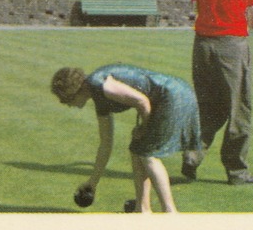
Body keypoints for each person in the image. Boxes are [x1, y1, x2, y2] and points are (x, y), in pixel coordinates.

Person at [51, 64, 201, 214]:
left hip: (173, 96)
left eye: (65, 100)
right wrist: (92, 183)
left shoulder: (99, 83)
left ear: (72, 92)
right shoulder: (98, 97)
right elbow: (105, 145)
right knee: (137, 149)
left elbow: (142, 101)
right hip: (173, 94)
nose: (68, 105)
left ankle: (170, 212)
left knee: (148, 154)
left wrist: (144, 126)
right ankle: (142, 209)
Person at [183, 0, 253, 185]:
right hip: (231, 45)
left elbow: (202, 6)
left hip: (203, 45)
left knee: (208, 106)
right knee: (238, 109)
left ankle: (193, 155)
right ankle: (237, 171)